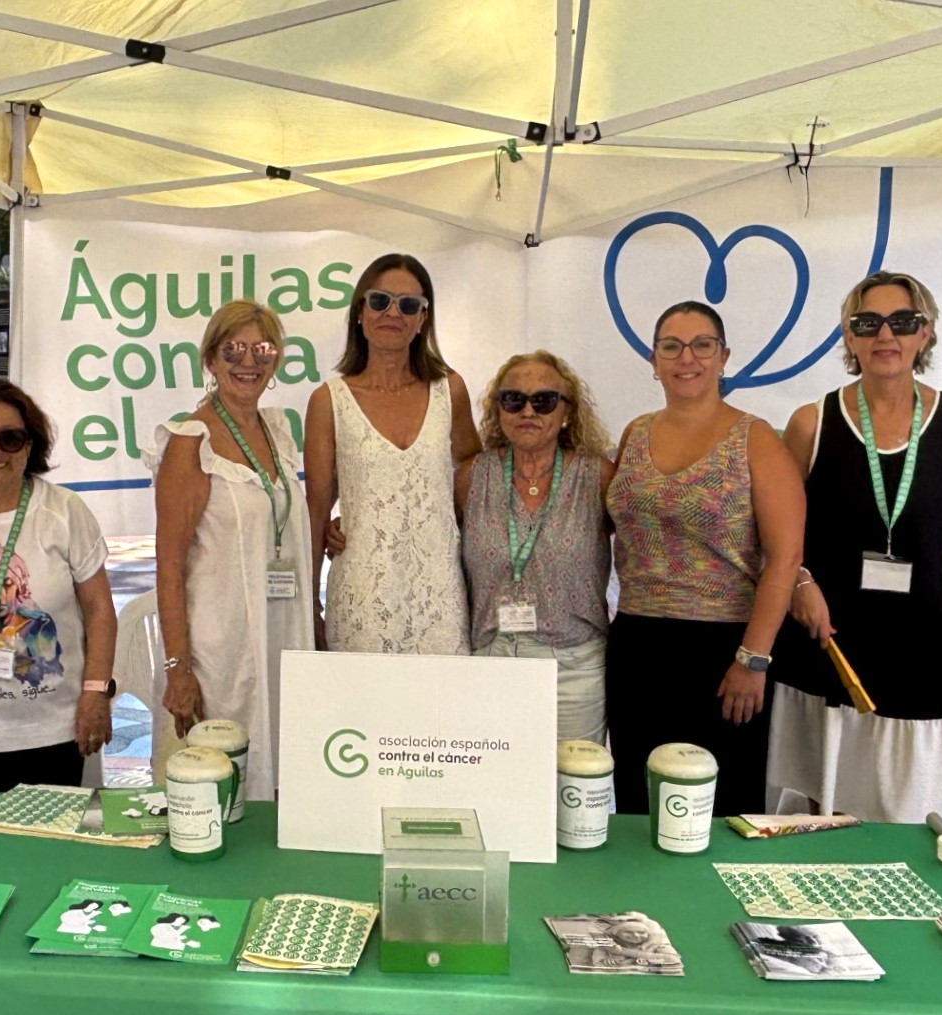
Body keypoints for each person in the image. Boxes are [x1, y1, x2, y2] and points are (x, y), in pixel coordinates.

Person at [768, 271, 942, 822]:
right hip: (827, 640)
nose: (885, 334)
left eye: (902, 321)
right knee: (818, 810)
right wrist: (801, 581)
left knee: (907, 813)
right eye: (867, 323)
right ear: (849, 337)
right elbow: (775, 531)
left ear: (925, 334)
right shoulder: (811, 423)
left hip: (916, 643)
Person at [605, 302, 805, 815]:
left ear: (724, 357)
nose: (686, 357)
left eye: (702, 345)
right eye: (671, 346)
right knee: (638, 800)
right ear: (653, 360)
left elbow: (785, 559)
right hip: (637, 642)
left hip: (725, 653)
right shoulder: (635, 433)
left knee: (720, 809)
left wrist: (753, 658)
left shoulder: (756, 439)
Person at [151, 299, 315, 800]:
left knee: (288, 760)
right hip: (222, 649)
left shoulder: (277, 430)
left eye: (262, 348)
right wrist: (178, 669)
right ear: (210, 358)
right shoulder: (190, 440)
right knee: (227, 776)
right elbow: (169, 565)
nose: (249, 361)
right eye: (234, 349)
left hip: (283, 629)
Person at [0, 378, 116, 794]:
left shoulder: (64, 511)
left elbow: (101, 611)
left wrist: (95, 693)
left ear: (29, 448)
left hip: (57, 730)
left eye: (10, 439)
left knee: (55, 853)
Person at [305, 253, 478, 654]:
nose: (392, 313)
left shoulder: (449, 390)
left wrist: (440, 512)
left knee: (442, 711)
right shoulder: (328, 401)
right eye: (380, 301)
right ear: (360, 313)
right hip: (362, 592)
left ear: (422, 320)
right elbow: (316, 510)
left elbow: (474, 468)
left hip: (440, 592)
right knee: (363, 713)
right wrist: (312, 605)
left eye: (409, 305)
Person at [455, 351, 614, 742]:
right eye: (513, 399)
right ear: (498, 410)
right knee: (492, 790)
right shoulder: (472, 477)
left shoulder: (597, 476)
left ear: (567, 412)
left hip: (574, 665)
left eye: (543, 400)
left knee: (572, 793)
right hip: (491, 660)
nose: (528, 410)